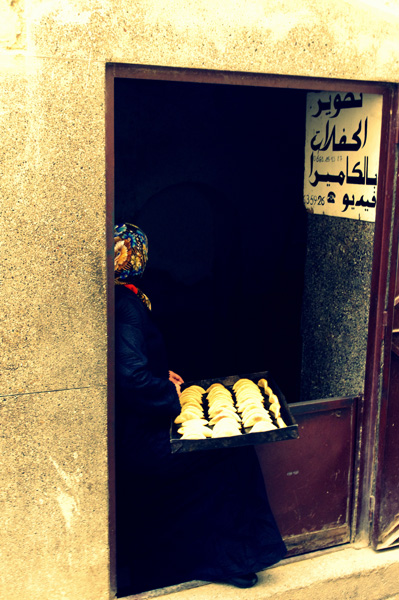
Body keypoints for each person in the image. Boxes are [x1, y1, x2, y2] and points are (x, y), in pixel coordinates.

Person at [114, 222, 287, 595]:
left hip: (138, 429)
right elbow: (131, 378)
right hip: (143, 439)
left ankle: (225, 557)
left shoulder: (121, 298)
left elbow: (130, 363)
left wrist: (163, 373)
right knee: (229, 455)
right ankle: (231, 560)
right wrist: (170, 395)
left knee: (226, 454)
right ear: (135, 257)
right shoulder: (126, 304)